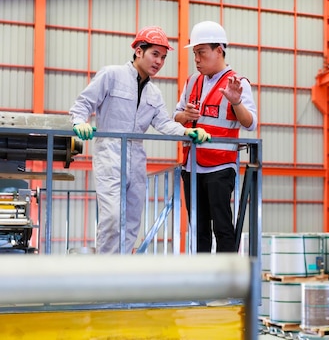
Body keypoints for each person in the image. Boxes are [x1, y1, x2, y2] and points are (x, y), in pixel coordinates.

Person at [69, 26, 210, 254]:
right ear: (138, 51)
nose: (159, 62)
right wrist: (79, 122)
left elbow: (164, 123)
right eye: (155, 54)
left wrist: (187, 132)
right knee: (113, 218)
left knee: (132, 221)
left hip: (136, 160)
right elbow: (83, 103)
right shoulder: (111, 75)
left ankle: (120, 276)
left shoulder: (154, 93)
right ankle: (103, 275)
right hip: (110, 156)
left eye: (163, 57)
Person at [173, 21, 257, 253]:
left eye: (201, 53)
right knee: (198, 229)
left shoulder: (238, 84)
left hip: (220, 167)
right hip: (192, 167)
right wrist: (184, 115)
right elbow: (175, 115)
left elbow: (250, 123)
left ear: (219, 50)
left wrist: (236, 102)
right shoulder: (192, 82)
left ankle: (225, 282)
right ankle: (204, 283)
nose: (197, 59)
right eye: (194, 54)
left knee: (222, 227)